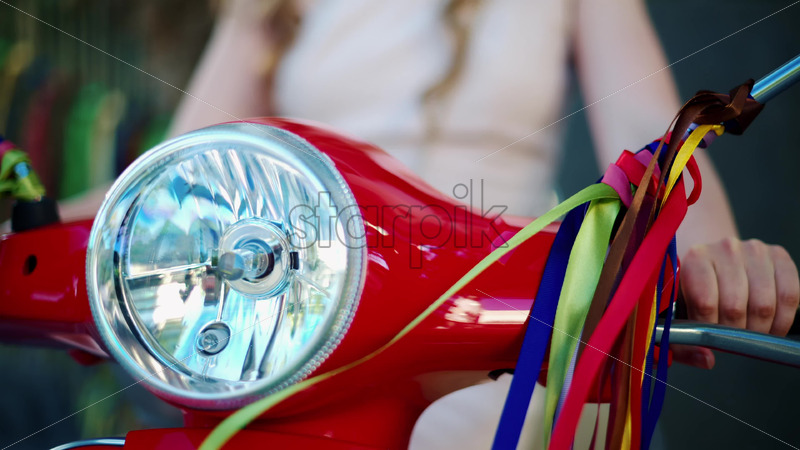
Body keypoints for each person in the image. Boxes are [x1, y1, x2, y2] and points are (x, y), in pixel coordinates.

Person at [60, 0, 800, 447]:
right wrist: (23, 219)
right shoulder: (270, 6)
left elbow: (653, 137)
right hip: (319, 345)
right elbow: (173, 178)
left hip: (511, 335)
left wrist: (714, 255)